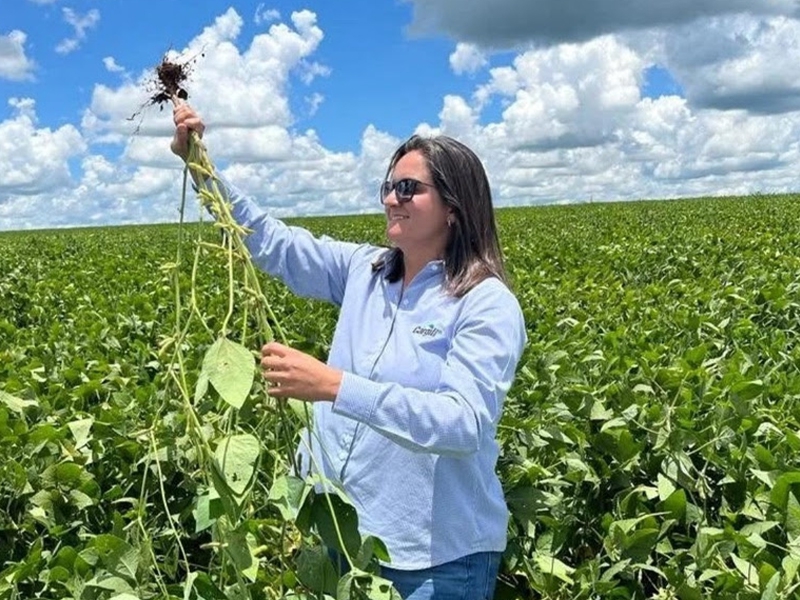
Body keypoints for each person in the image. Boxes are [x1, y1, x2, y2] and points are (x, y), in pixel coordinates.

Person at [171, 103, 527, 600]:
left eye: (408, 188)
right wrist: (201, 168)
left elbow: (462, 423)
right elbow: (272, 242)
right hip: (344, 538)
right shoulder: (367, 271)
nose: (391, 199)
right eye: (388, 186)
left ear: (454, 206)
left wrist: (333, 387)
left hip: (434, 560)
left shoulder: (484, 302)